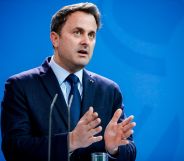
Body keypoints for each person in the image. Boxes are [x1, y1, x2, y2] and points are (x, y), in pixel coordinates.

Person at [1, 2, 136, 161]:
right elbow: (14, 149)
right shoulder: (21, 86)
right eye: (78, 32)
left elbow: (130, 151)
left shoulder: (109, 90)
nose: (86, 41)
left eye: (91, 35)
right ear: (55, 39)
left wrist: (113, 149)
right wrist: (70, 141)